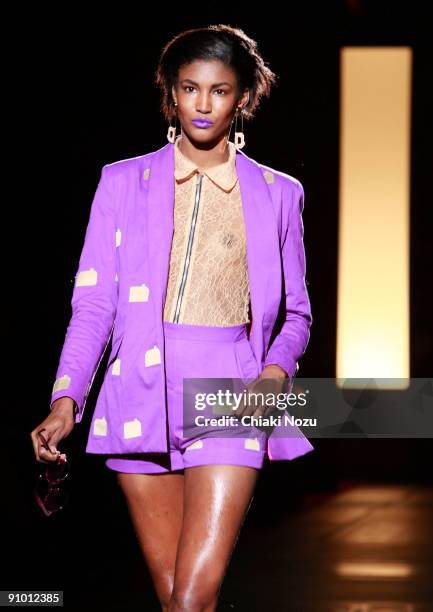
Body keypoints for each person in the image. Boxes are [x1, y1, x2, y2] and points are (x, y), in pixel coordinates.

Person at [30, 24, 313, 612]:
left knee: (191, 599)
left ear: (243, 98)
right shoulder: (121, 183)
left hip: (229, 392)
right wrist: (66, 400)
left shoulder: (278, 192)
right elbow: (94, 306)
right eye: (190, 88)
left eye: (220, 90)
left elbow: (297, 315)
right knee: (178, 605)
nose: (203, 104)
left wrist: (274, 374)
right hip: (140, 391)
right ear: (170, 92)